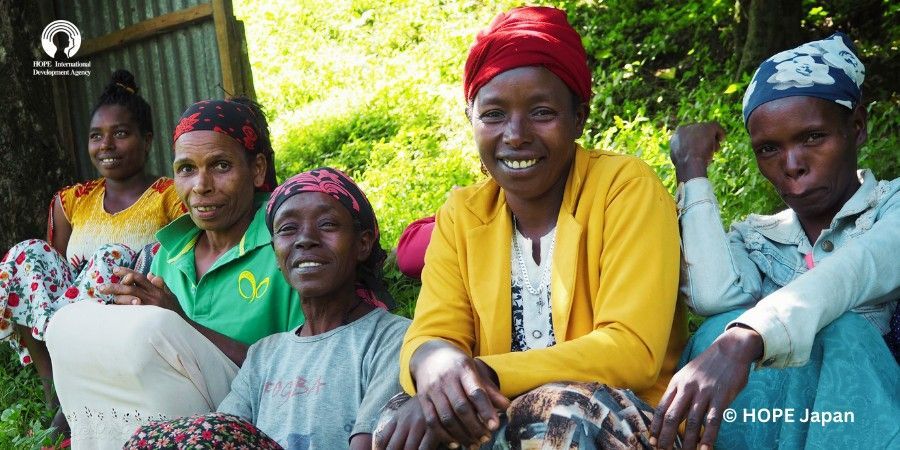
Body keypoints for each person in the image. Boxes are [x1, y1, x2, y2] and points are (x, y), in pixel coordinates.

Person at [374, 6, 685, 449]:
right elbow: (432, 332)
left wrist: (487, 373)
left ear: (579, 116)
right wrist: (432, 363)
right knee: (401, 421)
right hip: (500, 409)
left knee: (562, 414)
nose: (515, 135)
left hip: (626, 419)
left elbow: (632, 350)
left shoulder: (625, 188)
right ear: (470, 119)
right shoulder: (463, 214)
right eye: (494, 114)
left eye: (541, 112)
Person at [649, 33, 900, 450]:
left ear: (856, 128)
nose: (793, 165)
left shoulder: (889, 209)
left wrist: (747, 336)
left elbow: (856, 269)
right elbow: (713, 298)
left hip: (870, 421)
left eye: (813, 138)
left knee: (842, 332)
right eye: (768, 149)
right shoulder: (762, 238)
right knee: (715, 329)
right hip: (774, 427)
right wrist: (692, 171)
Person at [44, 97, 304, 449]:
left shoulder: (285, 249)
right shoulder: (167, 252)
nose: (201, 185)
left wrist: (179, 322)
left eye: (221, 165)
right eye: (186, 169)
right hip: (160, 416)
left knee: (155, 328)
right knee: (65, 324)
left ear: (257, 169)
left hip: (248, 412)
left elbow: (304, 368)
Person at [124, 167, 410, 450]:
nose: (305, 238)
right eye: (288, 229)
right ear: (275, 253)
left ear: (362, 243)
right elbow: (224, 434)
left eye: (327, 225)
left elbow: (371, 443)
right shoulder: (264, 354)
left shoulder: (394, 339)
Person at [0, 69, 183, 434]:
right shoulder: (73, 201)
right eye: (96, 136)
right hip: (67, 315)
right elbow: (51, 276)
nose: (106, 146)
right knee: (26, 253)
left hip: (131, 309)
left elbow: (175, 261)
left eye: (120, 134)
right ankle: (58, 392)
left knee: (111, 256)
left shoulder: (170, 195)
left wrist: (102, 266)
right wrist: (78, 274)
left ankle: (76, 392)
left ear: (146, 140)